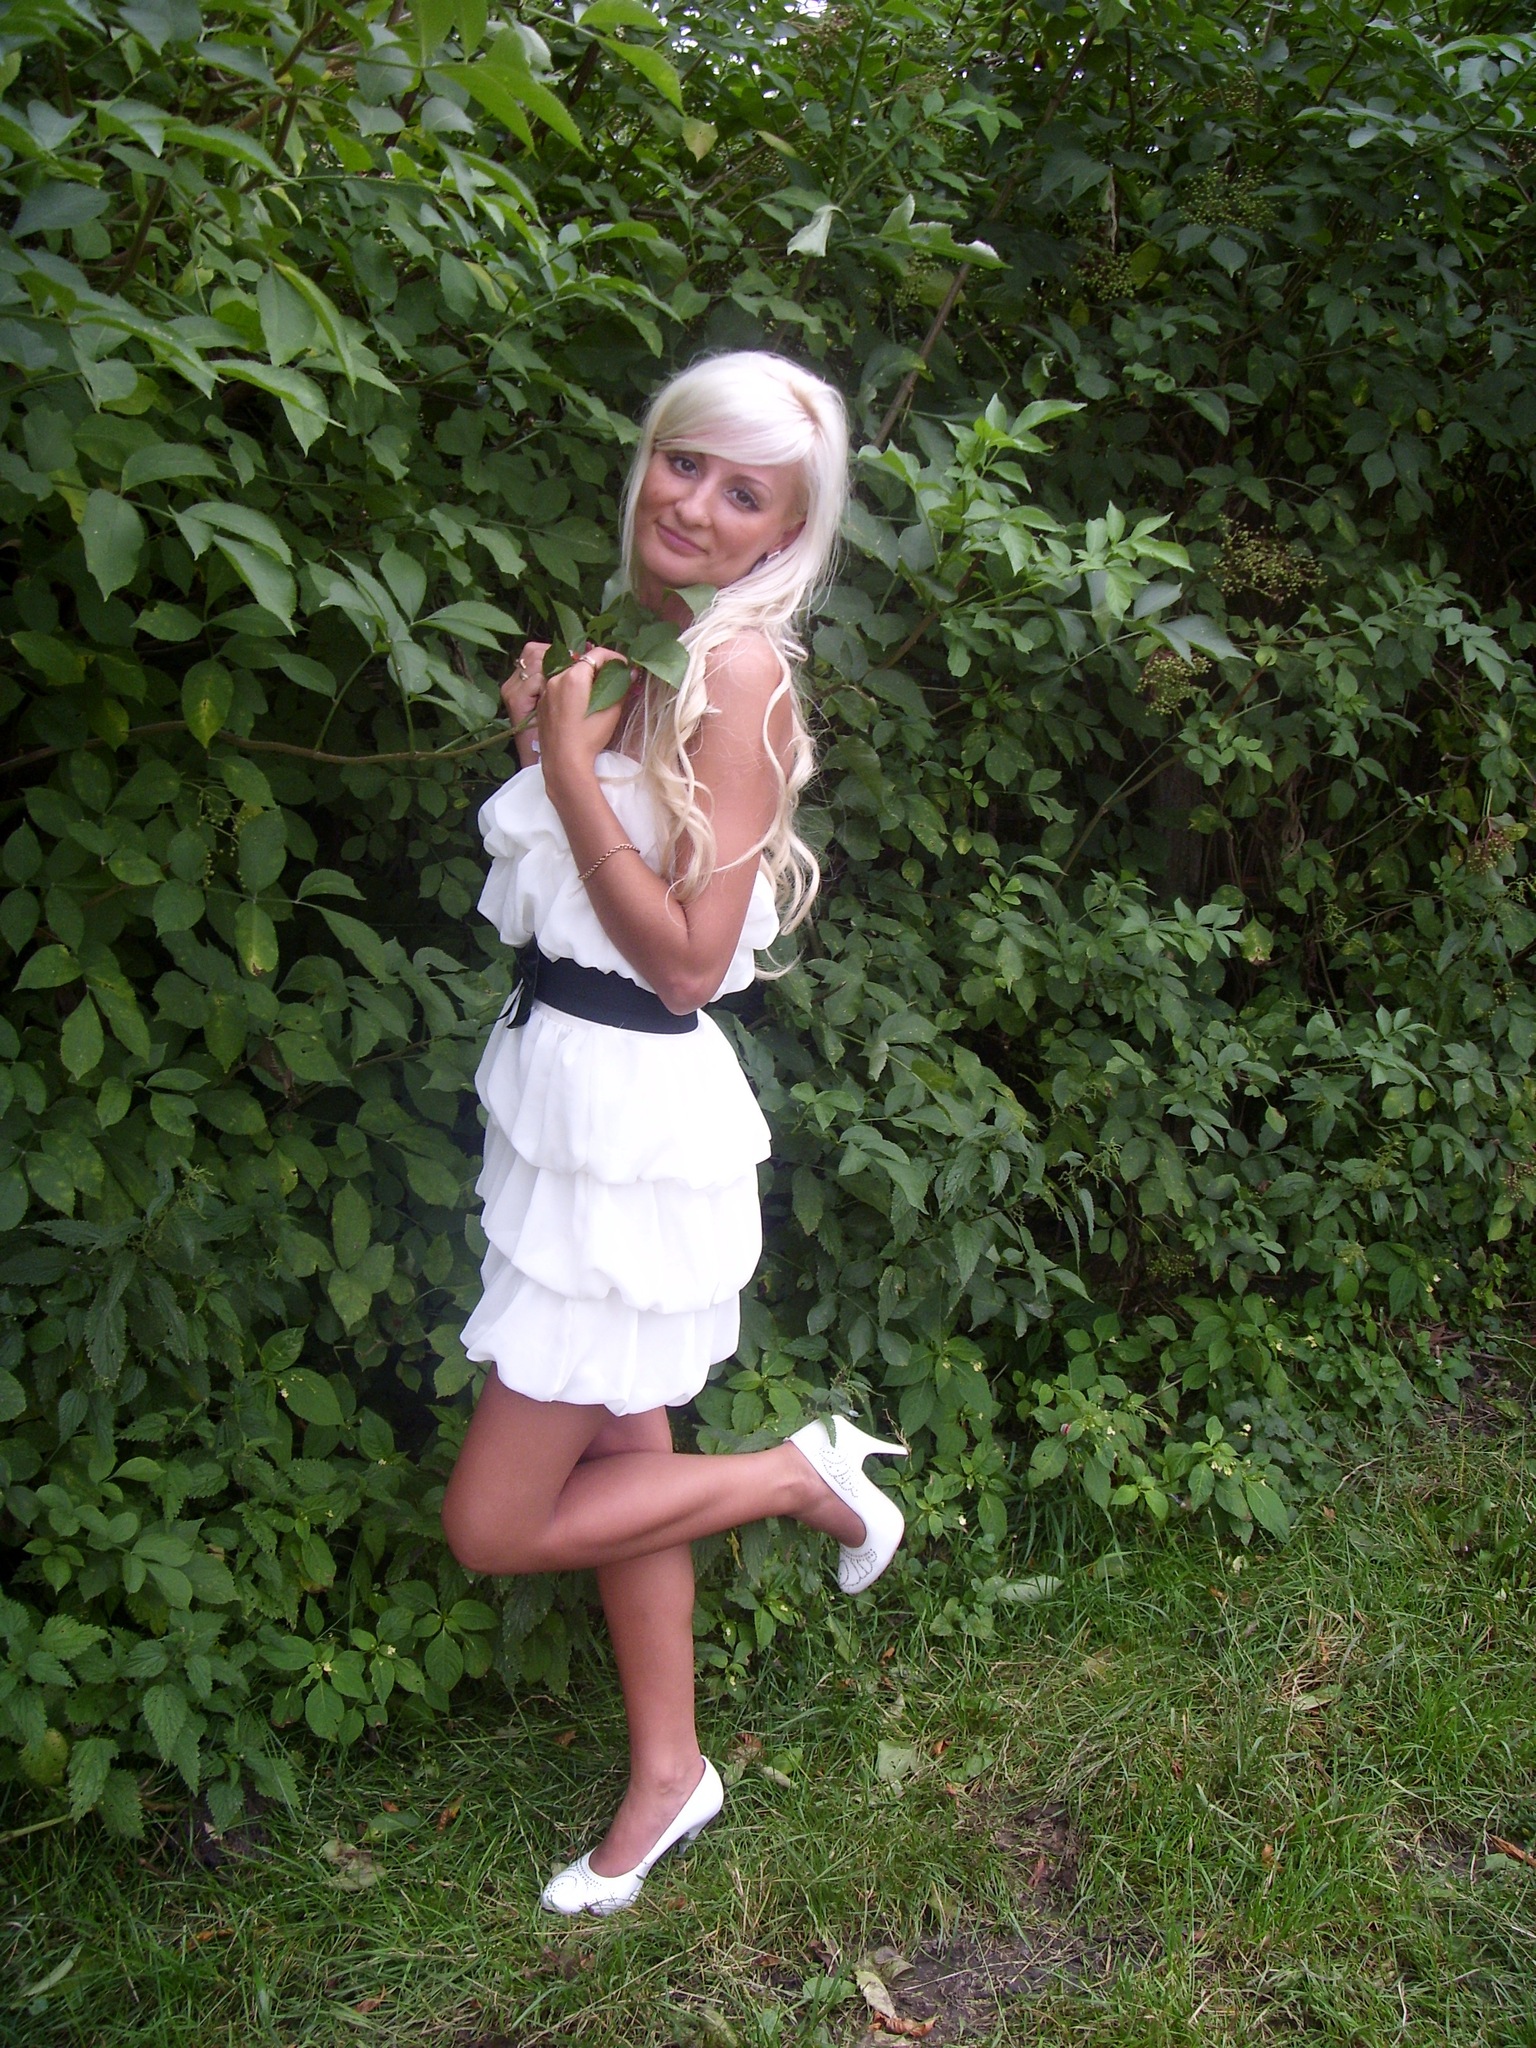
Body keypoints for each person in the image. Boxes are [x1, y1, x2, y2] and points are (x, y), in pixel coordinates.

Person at [440, 351, 907, 1918]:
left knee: (496, 1521)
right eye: (683, 462)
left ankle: (798, 1473)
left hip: (632, 1119)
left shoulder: (743, 672)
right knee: (626, 1441)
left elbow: (692, 960)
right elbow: (602, 889)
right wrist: (550, 749)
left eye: (743, 490)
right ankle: (670, 1774)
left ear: (784, 532)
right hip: (571, 1103)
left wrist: (572, 776)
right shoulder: (656, 644)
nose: (695, 503)